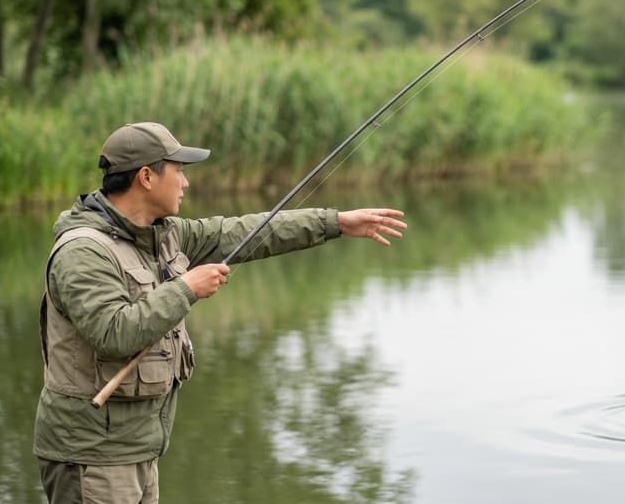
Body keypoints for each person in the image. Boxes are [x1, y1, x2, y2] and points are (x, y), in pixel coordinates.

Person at [34, 122, 405, 503]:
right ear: (146, 177)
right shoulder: (83, 252)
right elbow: (113, 333)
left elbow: (247, 232)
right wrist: (186, 288)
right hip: (92, 457)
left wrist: (335, 222)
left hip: (137, 451)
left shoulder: (164, 236)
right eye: (179, 171)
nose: (185, 183)